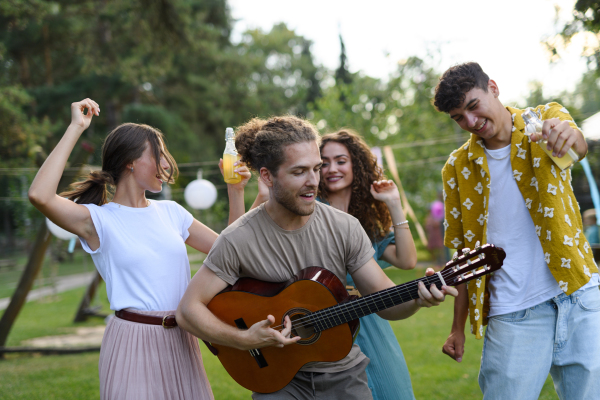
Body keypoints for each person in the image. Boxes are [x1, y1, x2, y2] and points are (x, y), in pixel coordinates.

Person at [176, 116, 457, 399]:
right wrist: (242, 339)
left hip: (343, 375)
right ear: (267, 176)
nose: (313, 182)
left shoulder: (344, 227)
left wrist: (418, 300)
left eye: (316, 169)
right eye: (299, 172)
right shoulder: (238, 238)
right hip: (276, 379)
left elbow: (385, 301)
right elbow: (188, 310)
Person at [28, 99, 251, 400]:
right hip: (133, 342)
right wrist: (76, 127)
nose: (167, 165)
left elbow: (230, 253)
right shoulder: (98, 220)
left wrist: (235, 191)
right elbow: (40, 195)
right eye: (158, 156)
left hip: (182, 339)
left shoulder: (172, 212)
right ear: (130, 162)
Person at [434, 62, 600, 400]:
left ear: (493, 88)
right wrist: (457, 328)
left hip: (580, 295)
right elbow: (464, 255)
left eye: (472, 106)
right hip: (513, 314)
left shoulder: (544, 119)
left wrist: (570, 136)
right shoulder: (456, 168)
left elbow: (576, 146)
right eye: (458, 118)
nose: (470, 122)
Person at [317, 129, 417, 400]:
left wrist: (395, 204)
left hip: (371, 321)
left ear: (356, 165)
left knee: (390, 390)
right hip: (325, 325)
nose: (331, 169)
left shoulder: (367, 219)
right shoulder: (310, 211)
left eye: (340, 160)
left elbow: (407, 260)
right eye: (323, 162)